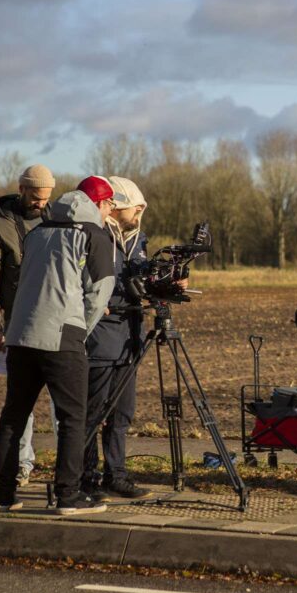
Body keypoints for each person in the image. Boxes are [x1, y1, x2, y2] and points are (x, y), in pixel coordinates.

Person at [0, 176, 118, 515]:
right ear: (100, 206)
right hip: (62, 337)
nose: (109, 215)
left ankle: (2, 496)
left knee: (13, 417)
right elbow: (100, 291)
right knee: (74, 418)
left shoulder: (36, 233)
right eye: (109, 208)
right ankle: (68, 496)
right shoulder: (94, 235)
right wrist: (80, 331)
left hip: (20, 335)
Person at [81, 176, 172, 501]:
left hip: (129, 338)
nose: (140, 213)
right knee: (93, 412)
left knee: (121, 413)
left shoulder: (136, 240)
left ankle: (115, 475)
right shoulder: (93, 234)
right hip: (101, 338)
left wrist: (165, 280)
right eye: (137, 207)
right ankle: (85, 478)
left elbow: (141, 278)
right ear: (118, 205)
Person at [0, 164, 55, 487]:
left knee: (62, 404)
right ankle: (21, 465)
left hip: (53, 324)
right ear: (21, 190)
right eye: (35, 197)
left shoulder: (55, 220)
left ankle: (68, 469)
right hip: (15, 327)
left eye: (46, 198)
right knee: (21, 403)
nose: (41, 204)